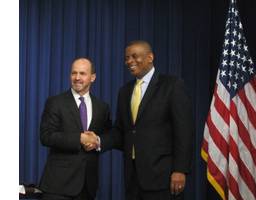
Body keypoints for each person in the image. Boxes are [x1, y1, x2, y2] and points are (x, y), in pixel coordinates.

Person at [101, 40, 194, 200]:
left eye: (134, 56)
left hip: (163, 177)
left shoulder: (172, 85)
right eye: (127, 58)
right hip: (133, 178)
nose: (129, 61)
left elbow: (184, 131)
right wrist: (98, 141)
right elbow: (121, 131)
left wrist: (180, 170)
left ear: (150, 57)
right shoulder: (124, 91)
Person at [39, 58, 112, 200]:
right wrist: (79, 138)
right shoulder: (55, 102)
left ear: (93, 77)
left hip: (87, 187)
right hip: (58, 187)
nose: (77, 77)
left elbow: (110, 136)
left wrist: (97, 142)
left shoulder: (102, 107)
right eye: (74, 73)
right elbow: (46, 136)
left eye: (82, 73)